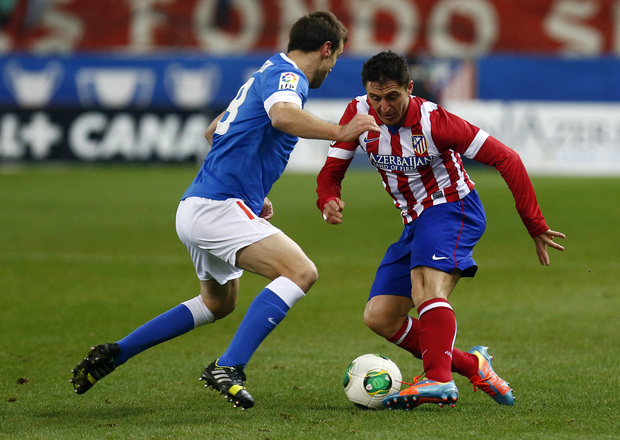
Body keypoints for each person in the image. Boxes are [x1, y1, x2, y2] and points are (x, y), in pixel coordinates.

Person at [70, 10, 379, 410]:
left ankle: (117, 352)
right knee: (300, 272)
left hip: (198, 205)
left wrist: (251, 189)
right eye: (335, 56)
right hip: (218, 207)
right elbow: (282, 116)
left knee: (218, 303)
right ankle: (228, 366)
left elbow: (213, 130)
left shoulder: (264, 74)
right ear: (325, 48)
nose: (333, 65)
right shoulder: (289, 77)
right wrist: (340, 130)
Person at [316, 51, 565, 410]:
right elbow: (331, 170)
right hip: (414, 221)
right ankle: (472, 365)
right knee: (380, 316)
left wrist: (535, 223)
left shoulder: (435, 121)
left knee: (425, 285)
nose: (384, 107)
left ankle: (438, 378)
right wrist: (328, 198)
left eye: (392, 96)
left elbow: (507, 158)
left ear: (409, 88)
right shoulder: (358, 114)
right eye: (375, 97)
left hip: (453, 208)